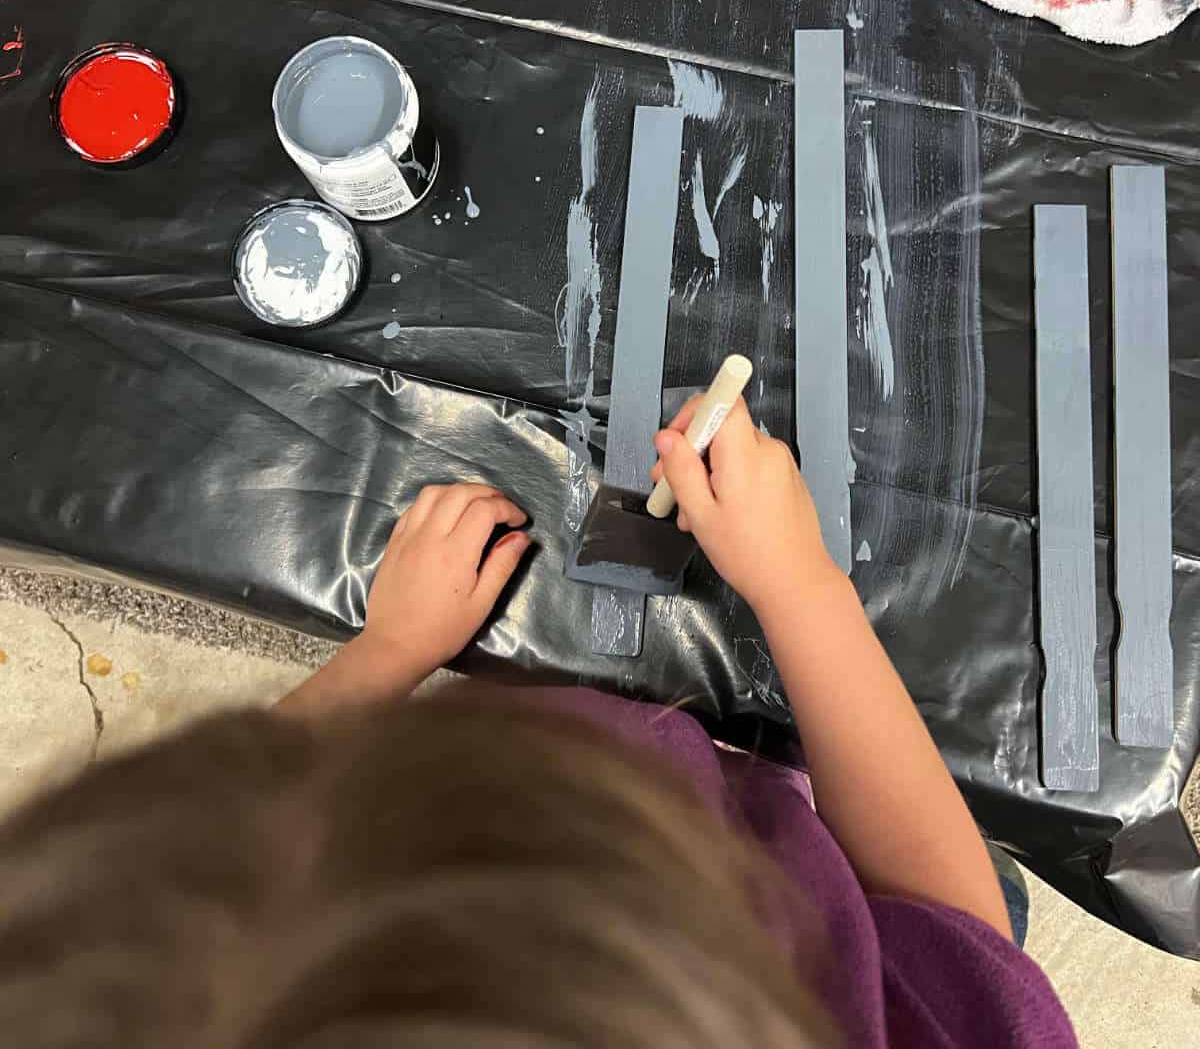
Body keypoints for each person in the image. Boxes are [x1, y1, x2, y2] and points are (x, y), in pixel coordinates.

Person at [0, 399, 1077, 1048]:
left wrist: (383, 657)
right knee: (968, 932)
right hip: (850, 900)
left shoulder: (126, 990)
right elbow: (952, 921)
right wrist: (800, 588)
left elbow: (226, 850)